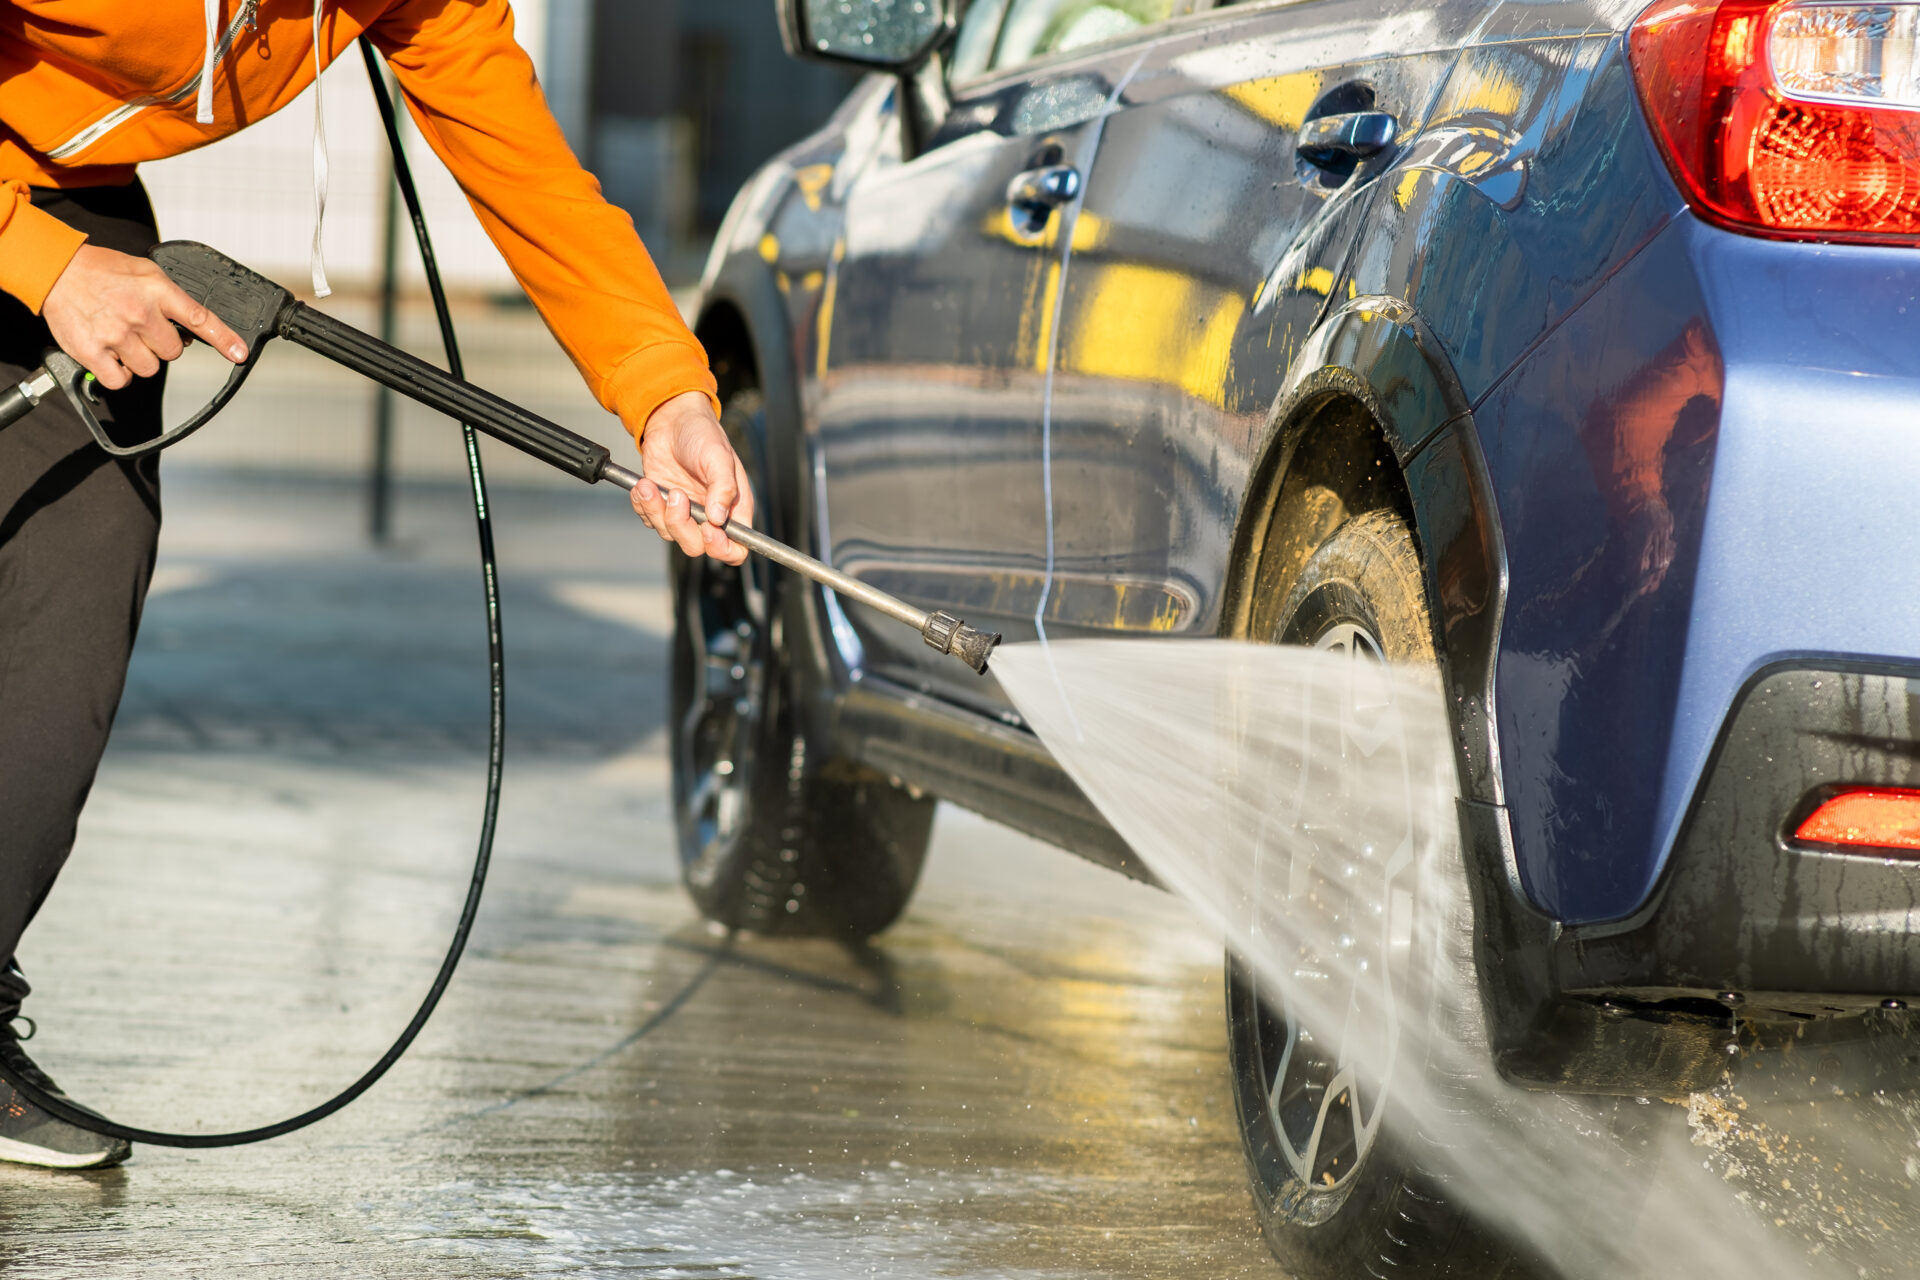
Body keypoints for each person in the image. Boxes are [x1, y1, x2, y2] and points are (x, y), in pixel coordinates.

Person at [0, 0, 755, 1169]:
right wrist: (40, 262)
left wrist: (668, 397)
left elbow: (528, 173)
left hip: (61, 198)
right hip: (30, 232)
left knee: (81, 580)